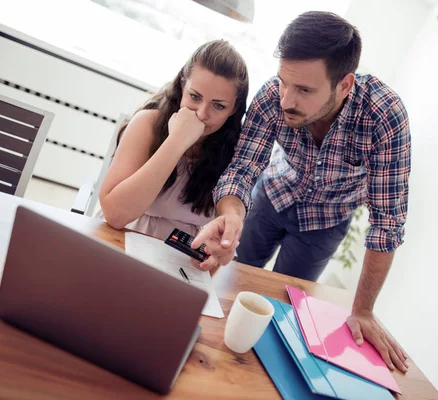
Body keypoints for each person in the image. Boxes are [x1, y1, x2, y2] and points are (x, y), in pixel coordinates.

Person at [192, 12, 411, 373]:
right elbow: (243, 168)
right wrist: (231, 213)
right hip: (271, 197)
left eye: (305, 90)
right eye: (284, 83)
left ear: (344, 85)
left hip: (325, 223)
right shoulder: (273, 96)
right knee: (234, 282)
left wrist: (363, 310)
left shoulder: (384, 116)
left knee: (281, 309)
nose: (286, 100)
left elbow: (387, 223)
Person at [97, 40, 249, 241]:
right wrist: (176, 142)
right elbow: (115, 215)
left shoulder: (236, 148)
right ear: (182, 85)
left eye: (219, 106)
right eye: (195, 97)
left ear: (234, 109)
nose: (202, 114)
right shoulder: (147, 123)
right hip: (122, 241)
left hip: (181, 258)